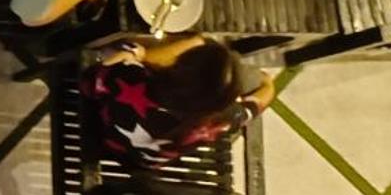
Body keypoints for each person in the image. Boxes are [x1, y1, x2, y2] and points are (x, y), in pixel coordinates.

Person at [81, 34, 274, 162]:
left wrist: (134, 54)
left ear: (178, 65)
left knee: (132, 48)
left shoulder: (129, 75)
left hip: (104, 135)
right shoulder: (219, 121)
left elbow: (87, 85)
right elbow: (256, 105)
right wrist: (268, 84)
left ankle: (176, 49)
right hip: (142, 161)